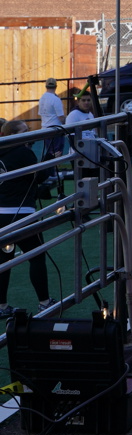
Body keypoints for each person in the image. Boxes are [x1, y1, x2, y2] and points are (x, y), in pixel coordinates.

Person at [0, 119, 55, 317]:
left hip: (2, 213)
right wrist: (50, 158)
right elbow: (38, 177)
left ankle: (2, 306)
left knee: (4, 261)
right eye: (24, 132)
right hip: (22, 213)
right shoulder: (23, 152)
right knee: (37, 256)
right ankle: (44, 302)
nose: (29, 136)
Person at [38, 77, 65, 187]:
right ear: (56, 86)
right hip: (55, 129)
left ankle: (50, 173)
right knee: (56, 152)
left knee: (49, 153)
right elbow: (61, 117)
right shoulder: (55, 99)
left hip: (45, 128)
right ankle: (53, 173)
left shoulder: (42, 98)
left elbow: (41, 114)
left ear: (46, 86)